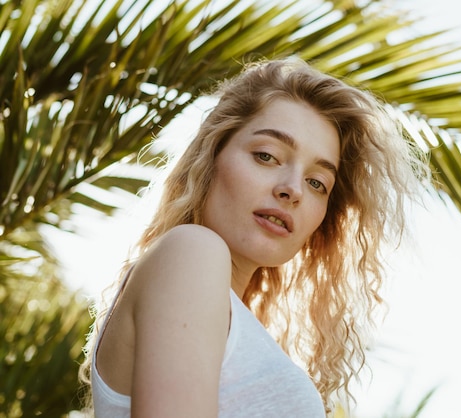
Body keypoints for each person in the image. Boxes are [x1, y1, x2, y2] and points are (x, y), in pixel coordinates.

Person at [79, 57, 429, 417]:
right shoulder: (193, 250)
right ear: (212, 155)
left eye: (316, 183)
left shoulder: (225, 312)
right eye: (267, 156)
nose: (293, 189)